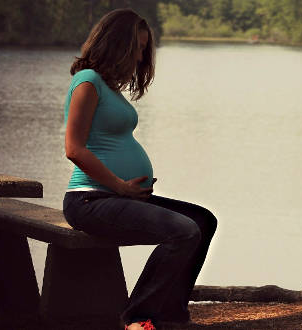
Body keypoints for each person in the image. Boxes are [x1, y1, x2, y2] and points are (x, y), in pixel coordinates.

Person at [62, 8, 217, 330]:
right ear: (114, 44)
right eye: (136, 47)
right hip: (90, 200)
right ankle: (136, 319)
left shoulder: (107, 87)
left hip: (120, 197)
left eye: (144, 48)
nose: (140, 55)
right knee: (183, 230)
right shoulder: (87, 81)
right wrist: (119, 185)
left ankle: (172, 313)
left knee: (202, 220)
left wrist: (128, 188)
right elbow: (74, 148)